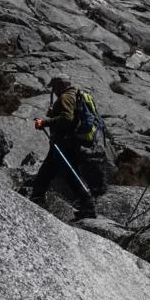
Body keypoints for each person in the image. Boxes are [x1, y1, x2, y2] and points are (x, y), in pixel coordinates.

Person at [28, 75, 98, 220]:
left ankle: (88, 206)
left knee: (67, 174)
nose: (53, 91)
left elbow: (67, 119)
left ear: (60, 85)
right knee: (53, 172)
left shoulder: (66, 97)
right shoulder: (74, 94)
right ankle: (37, 199)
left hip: (65, 142)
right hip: (69, 142)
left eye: (54, 87)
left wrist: (45, 122)